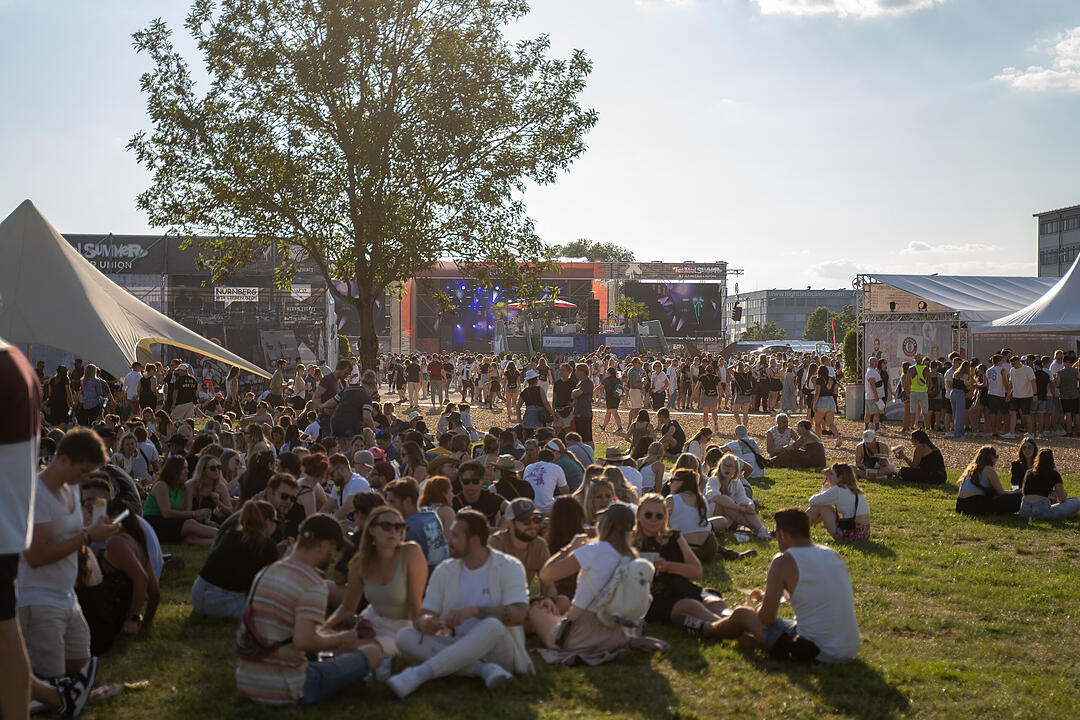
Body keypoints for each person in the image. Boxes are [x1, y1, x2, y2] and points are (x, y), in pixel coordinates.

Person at [236, 514, 383, 705]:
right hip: (288, 687)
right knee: (373, 652)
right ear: (323, 546)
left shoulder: (266, 571)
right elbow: (303, 641)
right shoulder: (313, 583)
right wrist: (340, 639)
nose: (332, 561)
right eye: (333, 552)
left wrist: (322, 633)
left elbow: (283, 630)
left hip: (247, 681)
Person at [388, 510, 533, 698]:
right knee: (404, 636)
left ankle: (419, 674)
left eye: (455, 536)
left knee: (493, 625)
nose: (448, 541)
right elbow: (424, 613)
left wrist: (474, 611)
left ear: (474, 541)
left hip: (499, 650)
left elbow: (520, 614)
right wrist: (426, 622)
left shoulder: (509, 566)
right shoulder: (445, 570)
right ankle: (484, 670)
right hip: (455, 643)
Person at [18, 429, 120, 684]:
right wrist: (87, 537)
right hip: (39, 599)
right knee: (51, 682)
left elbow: (67, 535)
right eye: (84, 470)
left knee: (82, 672)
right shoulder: (38, 495)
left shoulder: (72, 485)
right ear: (63, 460)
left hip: (66, 595)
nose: (86, 478)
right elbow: (35, 555)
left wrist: (95, 530)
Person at [719, 508, 860, 663]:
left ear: (783, 535)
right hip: (849, 649)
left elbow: (766, 619)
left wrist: (760, 607)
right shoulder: (832, 554)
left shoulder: (783, 560)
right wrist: (768, 597)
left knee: (742, 614)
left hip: (814, 650)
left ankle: (706, 628)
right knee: (776, 624)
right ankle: (750, 641)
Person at [529, 503, 639, 655]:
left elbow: (546, 574)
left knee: (537, 609)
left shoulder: (593, 550)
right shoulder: (633, 558)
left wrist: (569, 548)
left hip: (583, 636)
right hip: (619, 636)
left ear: (604, 525)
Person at [327, 506, 427, 665]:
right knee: (336, 642)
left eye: (399, 527)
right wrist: (325, 629)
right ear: (372, 529)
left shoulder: (410, 553)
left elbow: (415, 604)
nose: (393, 532)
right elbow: (347, 607)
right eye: (387, 526)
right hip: (371, 621)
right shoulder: (360, 562)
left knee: (361, 648)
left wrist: (422, 639)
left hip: (402, 627)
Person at [76, 498, 160, 656]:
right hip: (118, 614)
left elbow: (141, 579)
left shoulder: (116, 542)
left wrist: (133, 619)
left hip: (107, 615)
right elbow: (155, 592)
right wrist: (146, 622)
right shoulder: (138, 543)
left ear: (115, 516)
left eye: (100, 516)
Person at [632, 495, 729, 631]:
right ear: (638, 515)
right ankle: (732, 628)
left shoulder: (673, 537)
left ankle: (737, 623)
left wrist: (668, 566)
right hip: (653, 600)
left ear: (665, 517)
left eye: (659, 516)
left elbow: (697, 571)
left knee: (717, 604)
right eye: (648, 515)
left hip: (682, 589)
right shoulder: (630, 541)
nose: (653, 520)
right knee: (692, 607)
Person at [191, 500, 279, 619]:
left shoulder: (230, 534)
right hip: (223, 603)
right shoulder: (267, 546)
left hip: (198, 595)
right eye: (276, 522)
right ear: (268, 522)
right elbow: (264, 587)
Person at [142, 456, 218, 545]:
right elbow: (166, 513)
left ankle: (221, 541)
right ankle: (224, 534)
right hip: (155, 523)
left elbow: (184, 511)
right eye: (184, 468)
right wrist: (195, 513)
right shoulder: (161, 485)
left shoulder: (181, 487)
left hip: (171, 522)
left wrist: (204, 522)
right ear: (175, 470)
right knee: (190, 524)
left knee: (189, 537)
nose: (187, 471)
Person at [384, 478, 449, 574]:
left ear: (407, 501)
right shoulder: (431, 516)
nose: (387, 506)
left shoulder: (409, 529)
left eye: (392, 502)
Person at [705, 453, 771, 539]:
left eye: (730, 466)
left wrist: (749, 505)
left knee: (745, 505)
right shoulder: (714, 480)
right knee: (725, 501)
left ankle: (762, 530)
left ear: (735, 470)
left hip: (730, 518)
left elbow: (742, 497)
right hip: (714, 517)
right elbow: (715, 496)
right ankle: (754, 528)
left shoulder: (736, 482)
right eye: (724, 465)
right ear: (719, 466)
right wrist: (738, 507)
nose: (727, 468)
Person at [488, 499, 551, 589]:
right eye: (526, 521)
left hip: (522, 598)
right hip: (496, 599)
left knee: (562, 601)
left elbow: (548, 583)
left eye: (536, 519)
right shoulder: (496, 544)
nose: (533, 525)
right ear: (510, 524)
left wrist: (549, 599)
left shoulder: (539, 544)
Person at [806, 464, 871, 542]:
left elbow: (812, 501)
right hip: (864, 534)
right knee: (825, 505)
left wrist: (825, 487)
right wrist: (828, 484)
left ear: (840, 477)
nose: (830, 477)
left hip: (851, 535)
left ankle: (795, 529)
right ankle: (799, 528)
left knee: (821, 507)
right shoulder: (854, 489)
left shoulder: (839, 490)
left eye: (832, 474)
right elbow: (822, 500)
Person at [955, 446, 1021, 516]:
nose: (997, 459)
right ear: (992, 458)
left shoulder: (971, 469)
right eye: (996, 456)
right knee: (1017, 498)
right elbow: (1001, 492)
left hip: (960, 505)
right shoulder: (988, 469)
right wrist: (1016, 492)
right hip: (974, 505)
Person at [1019, 449, 1080, 520]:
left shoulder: (1028, 472)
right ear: (1052, 460)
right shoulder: (1054, 474)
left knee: (1060, 495)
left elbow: (1026, 492)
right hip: (1042, 511)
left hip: (1024, 511)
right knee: (1075, 501)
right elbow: (1062, 499)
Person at [452, 460, 508, 527]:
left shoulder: (489, 498)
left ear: (482, 480)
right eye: (466, 481)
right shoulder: (453, 503)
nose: (471, 485)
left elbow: (513, 508)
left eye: (475, 481)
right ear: (460, 481)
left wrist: (501, 528)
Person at [521, 448, 568, 514]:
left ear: (538, 458)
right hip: (547, 509)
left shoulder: (528, 467)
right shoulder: (556, 468)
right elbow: (565, 490)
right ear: (553, 460)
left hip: (530, 507)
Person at [519, 369, 554, 434]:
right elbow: (546, 404)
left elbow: (518, 406)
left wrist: (519, 420)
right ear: (536, 379)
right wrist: (552, 414)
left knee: (528, 433)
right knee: (540, 434)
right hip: (539, 415)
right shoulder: (540, 390)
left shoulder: (524, 392)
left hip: (528, 415)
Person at [570, 363, 594, 447]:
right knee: (581, 438)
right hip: (579, 413)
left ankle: (590, 457)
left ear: (582, 372)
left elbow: (576, 394)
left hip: (584, 414)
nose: (575, 373)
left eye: (576, 371)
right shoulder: (581, 383)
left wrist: (574, 392)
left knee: (587, 439)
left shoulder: (587, 382)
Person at [693, 364, 721, 431]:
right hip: (714, 395)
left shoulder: (703, 377)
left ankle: (705, 427)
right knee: (714, 411)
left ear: (706, 371)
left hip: (705, 395)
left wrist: (695, 395)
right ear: (712, 370)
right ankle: (716, 423)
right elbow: (720, 387)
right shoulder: (716, 377)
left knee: (705, 413)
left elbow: (697, 387)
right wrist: (720, 395)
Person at [863, 356, 883, 431]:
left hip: (870, 395)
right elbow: (872, 383)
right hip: (872, 396)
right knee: (876, 412)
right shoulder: (871, 371)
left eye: (876, 361)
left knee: (868, 413)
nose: (876, 363)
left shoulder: (872, 371)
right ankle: (877, 428)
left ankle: (866, 427)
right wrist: (876, 395)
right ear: (870, 363)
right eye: (874, 362)